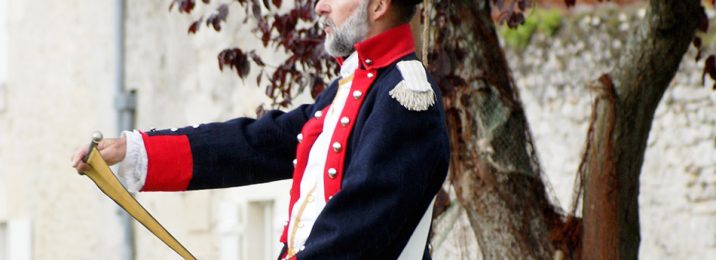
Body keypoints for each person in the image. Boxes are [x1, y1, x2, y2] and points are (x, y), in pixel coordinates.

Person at [72, 0, 449, 259]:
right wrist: (137, 151)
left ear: (379, 5)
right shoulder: (350, 87)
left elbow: (358, 230)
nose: (320, 6)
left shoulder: (406, 95)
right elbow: (259, 144)